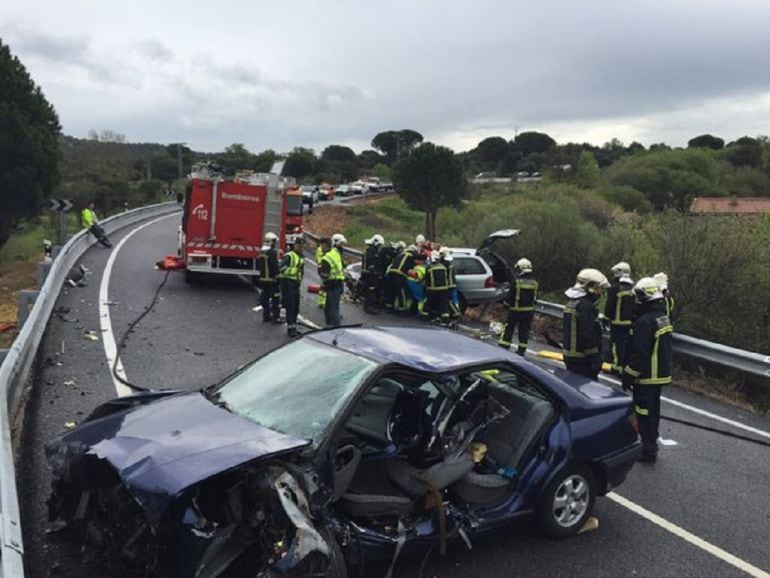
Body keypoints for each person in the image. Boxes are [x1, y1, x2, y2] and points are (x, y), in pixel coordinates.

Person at [622, 277, 673, 464]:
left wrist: (628, 375)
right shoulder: (662, 317)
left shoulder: (645, 322)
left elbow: (640, 354)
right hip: (659, 374)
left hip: (647, 376)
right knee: (653, 412)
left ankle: (648, 449)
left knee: (644, 413)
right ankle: (651, 445)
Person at [562, 268, 610, 379]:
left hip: (571, 357)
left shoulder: (573, 302)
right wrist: (595, 358)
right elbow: (587, 334)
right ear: (590, 286)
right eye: (599, 288)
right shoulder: (585, 306)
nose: (600, 292)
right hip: (583, 360)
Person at [498, 258, 539, 355]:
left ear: (521, 268)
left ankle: (504, 346)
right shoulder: (535, 283)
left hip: (516, 310)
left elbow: (510, 296)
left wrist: (505, 305)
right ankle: (521, 350)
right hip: (529, 311)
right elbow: (536, 297)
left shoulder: (517, 281)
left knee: (509, 328)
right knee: (524, 330)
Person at [605, 261, 635, 374]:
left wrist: (606, 317)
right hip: (630, 323)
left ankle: (617, 367)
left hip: (616, 323)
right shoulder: (632, 288)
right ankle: (624, 367)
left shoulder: (614, 288)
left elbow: (610, 306)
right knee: (626, 345)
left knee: (616, 345)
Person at [280, 237, 305, 338]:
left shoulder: (300, 257)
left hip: (295, 284)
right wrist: (295, 271)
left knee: (295, 307)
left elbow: (301, 271)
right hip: (288, 284)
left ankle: (294, 326)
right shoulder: (289, 256)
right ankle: (290, 329)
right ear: (295, 245)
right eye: (299, 246)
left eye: (302, 246)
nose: (300, 248)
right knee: (290, 307)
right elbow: (281, 269)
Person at [320, 233, 346, 327]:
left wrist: (324, 283)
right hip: (339, 283)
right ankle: (329, 325)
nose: (320, 247)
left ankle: (336, 328)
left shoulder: (326, 258)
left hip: (332, 284)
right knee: (329, 307)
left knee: (333, 308)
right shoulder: (336, 252)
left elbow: (325, 275)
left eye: (322, 245)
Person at [256, 232, 281, 323]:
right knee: (276, 299)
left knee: (265, 298)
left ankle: (266, 316)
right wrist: (279, 278)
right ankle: (276, 317)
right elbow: (274, 266)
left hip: (263, 280)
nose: (275, 244)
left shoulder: (262, 251)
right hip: (272, 280)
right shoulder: (272, 252)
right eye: (274, 242)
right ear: (271, 242)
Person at [386, 243, 416, 314]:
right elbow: (411, 267)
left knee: (392, 290)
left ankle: (389, 307)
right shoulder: (410, 256)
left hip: (391, 273)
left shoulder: (400, 255)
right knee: (402, 292)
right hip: (399, 274)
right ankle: (402, 310)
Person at [424, 251, 450, 320]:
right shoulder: (443, 267)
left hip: (433, 289)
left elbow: (427, 279)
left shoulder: (429, 267)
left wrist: (426, 287)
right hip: (444, 289)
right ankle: (445, 318)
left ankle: (427, 316)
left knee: (430, 303)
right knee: (443, 304)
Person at [362, 234, 385, 314]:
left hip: (369, 274)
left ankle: (369, 306)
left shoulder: (372, 251)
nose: (379, 246)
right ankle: (369, 307)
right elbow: (371, 263)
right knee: (370, 290)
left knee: (371, 290)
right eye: (379, 245)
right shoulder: (371, 251)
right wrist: (375, 272)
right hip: (369, 274)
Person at [315, 238, 329, 309]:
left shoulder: (318, 249)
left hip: (320, 267)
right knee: (325, 286)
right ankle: (323, 302)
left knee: (322, 285)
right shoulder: (324, 249)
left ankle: (320, 301)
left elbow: (316, 259)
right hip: (323, 268)